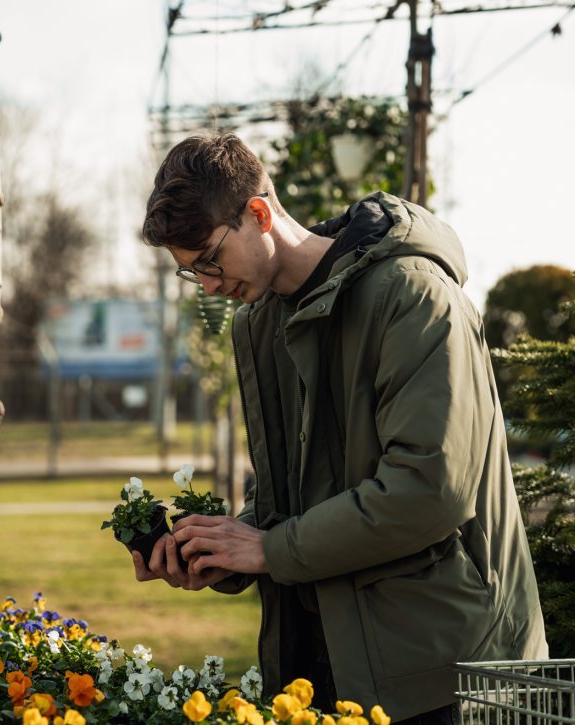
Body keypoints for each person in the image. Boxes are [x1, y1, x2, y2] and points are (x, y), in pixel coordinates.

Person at [133, 132, 548, 723]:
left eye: (209, 260)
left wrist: (269, 549)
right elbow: (295, 495)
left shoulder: (414, 295)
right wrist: (223, 550)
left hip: (445, 672)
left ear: (259, 215)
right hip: (324, 666)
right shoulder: (259, 324)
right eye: (190, 273)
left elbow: (429, 489)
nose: (209, 285)